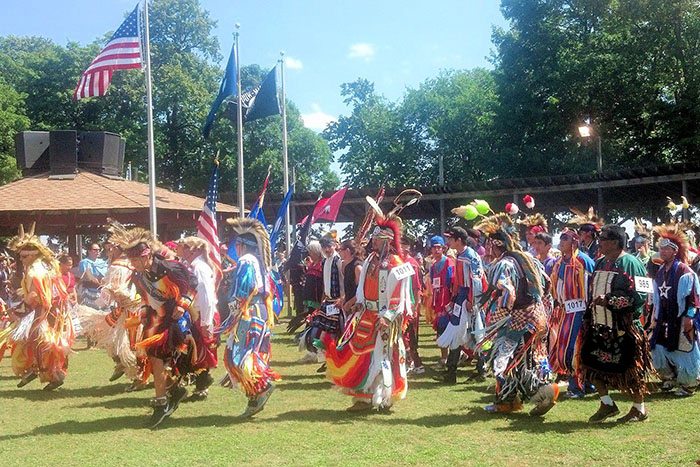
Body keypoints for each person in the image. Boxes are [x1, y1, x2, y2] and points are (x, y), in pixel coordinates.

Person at [322, 204, 414, 412]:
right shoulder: (371, 259)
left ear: (387, 240)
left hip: (384, 318)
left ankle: (384, 397)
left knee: (383, 356)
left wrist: (388, 316)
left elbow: (399, 295)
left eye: (377, 238)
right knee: (362, 354)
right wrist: (359, 303)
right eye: (373, 237)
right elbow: (362, 284)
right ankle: (363, 398)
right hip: (366, 315)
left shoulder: (397, 263)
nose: (373, 241)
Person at [109, 224, 193, 428]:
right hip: (154, 320)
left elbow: (192, 285)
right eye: (132, 260)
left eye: (138, 259)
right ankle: (173, 390)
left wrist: (183, 305)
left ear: (148, 256)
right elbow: (146, 299)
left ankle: (161, 403)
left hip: (173, 319)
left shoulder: (170, 268)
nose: (135, 264)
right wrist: (143, 316)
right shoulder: (139, 276)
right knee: (153, 358)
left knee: (157, 359)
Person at [474, 213, 558, 416]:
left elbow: (507, 292)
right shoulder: (527, 259)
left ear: (496, 245)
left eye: (489, 245)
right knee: (522, 361)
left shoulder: (504, 264)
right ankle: (509, 401)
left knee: (504, 362)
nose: (488, 250)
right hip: (535, 318)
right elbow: (547, 285)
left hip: (516, 321)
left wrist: (502, 314)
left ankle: (540, 392)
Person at [579, 224, 652, 423]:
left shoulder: (632, 263)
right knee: (589, 363)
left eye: (602, 239)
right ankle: (607, 403)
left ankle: (639, 408)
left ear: (614, 242)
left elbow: (642, 295)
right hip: (600, 325)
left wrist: (611, 300)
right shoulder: (600, 262)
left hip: (624, 326)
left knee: (630, 369)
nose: (599, 242)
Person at [0, 223, 73, 390]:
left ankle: (48, 373)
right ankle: (40, 371)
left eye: (24, 257)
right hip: (52, 311)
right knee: (34, 341)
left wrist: (17, 311)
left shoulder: (35, 271)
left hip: (42, 312)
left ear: (33, 256)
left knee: (40, 341)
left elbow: (34, 296)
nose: (21, 260)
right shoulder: (44, 267)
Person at [223, 217, 280, 417]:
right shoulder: (259, 262)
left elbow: (243, 290)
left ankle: (262, 387)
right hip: (258, 311)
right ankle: (254, 397)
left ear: (241, 246)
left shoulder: (247, 260)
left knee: (239, 356)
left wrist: (233, 308)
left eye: (236, 244)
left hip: (249, 312)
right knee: (245, 355)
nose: (235, 248)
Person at [649, 223, 700, 397]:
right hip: (664, 317)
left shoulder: (684, 271)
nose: (662, 252)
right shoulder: (661, 270)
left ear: (675, 251)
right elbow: (656, 298)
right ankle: (668, 377)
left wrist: (690, 316)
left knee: (685, 349)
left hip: (680, 317)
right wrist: (654, 316)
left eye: (666, 249)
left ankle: (689, 384)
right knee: (657, 347)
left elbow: (694, 298)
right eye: (661, 249)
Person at [435, 226, 487, 384]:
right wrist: (454, 298)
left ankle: (481, 368)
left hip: (469, 299)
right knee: (457, 333)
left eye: (450, 239)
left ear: (458, 240)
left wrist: (472, 300)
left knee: (472, 333)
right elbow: (458, 280)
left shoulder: (471, 256)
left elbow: (476, 280)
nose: (448, 241)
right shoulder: (460, 255)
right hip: (461, 299)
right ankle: (452, 372)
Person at [548, 228, 595, 398]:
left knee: (576, 348)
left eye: (565, 239)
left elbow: (591, 287)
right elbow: (557, 288)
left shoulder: (584, 261)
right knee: (565, 348)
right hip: (564, 311)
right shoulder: (559, 263)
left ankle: (579, 387)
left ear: (574, 242)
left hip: (581, 311)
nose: (561, 242)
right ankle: (581, 384)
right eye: (560, 238)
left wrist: (589, 311)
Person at [178, 236, 219, 401]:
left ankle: (202, 387)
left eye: (183, 246)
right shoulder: (193, 266)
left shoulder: (199, 268)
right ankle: (199, 384)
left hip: (203, 313)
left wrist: (206, 322)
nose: (180, 248)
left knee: (202, 351)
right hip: (197, 314)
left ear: (192, 250)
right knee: (195, 350)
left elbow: (206, 297)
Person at [295, 240, 324, 363]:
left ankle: (315, 352)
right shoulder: (313, 264)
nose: (309, 254)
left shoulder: (322, 264)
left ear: (317, 252)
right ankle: (311, 352)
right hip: (309, 299)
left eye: (311, 252)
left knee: (315, 326)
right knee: (310, 323)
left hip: (318, 300)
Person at [400, 236, 425, 375]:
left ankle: (414, 363)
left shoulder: (412, 264)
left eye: (401, 245)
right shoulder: (399, 262)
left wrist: (415, 308)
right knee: (403, 336)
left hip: (409, 305)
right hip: (400, 305)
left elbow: (417, 288)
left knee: (410, 335)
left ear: (407, 248)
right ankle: (413, 363)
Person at [428, 236, 454, 366]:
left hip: (449, 300)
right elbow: (433, 283)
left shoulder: (449, 262)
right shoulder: (433, 266)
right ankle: (444, 358)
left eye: (439, 247)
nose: (437, 250)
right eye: (434, 247)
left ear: (443, 248)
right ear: (431, 249)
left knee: (451, 328)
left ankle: (456, 357)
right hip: (438, 300)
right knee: (440, 329)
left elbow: (453, 282)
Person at [77, 243, 107, 309]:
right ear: (89, 251)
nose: (97, 252)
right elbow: (83, 276)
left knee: (101, 313)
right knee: (89, 313)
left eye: (99, 250)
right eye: (95, 250)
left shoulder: (103, 262)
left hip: (101, 292)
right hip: (88, 291)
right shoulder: (84, 262)